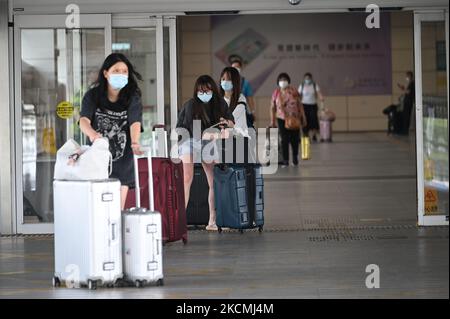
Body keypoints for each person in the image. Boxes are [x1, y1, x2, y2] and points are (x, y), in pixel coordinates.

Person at [80, 53, 144, 210]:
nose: (121, 74)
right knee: (99, 208)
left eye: (124, 71)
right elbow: (83, 121)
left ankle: (114, 235)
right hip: (98, 160)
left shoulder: (132, 97)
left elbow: (135, 122)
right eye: (116, 71)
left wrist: (135, 142)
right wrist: (93, 135)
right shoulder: (92, 96)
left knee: (116, 209)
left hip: (123, 162)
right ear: (106, 73)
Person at [176, 75, 232, 231]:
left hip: (209, 140)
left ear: (213, 90)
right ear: (196, 91)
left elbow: (231, 122)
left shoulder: (219, 103)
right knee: (187, 177)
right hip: (188, 139)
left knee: (213, 181)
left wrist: (226, 124)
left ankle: (212, 221)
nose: (204, 94)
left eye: (207, 90)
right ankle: (178, 221)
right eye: (201, 91)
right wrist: (216, 134)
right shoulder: (190, 105)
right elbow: (195, 133)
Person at [270, 73, 307, 167]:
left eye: (285, 79)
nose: (283, 81)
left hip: (295, 117)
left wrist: (303, 116)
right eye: (281, 80)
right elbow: (272, 107)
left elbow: (300, 104)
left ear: (288, 81)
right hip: (281, 118)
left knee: (295, 139)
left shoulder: (294, 91)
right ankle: (285, 160)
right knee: (284, 139)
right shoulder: (276, 93)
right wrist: (272, 121)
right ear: (278, 82)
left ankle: (295, 157)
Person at [228, 54, 256, 126]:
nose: (236, 69)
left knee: (247, 130)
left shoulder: (245, 83)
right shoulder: (226, 82)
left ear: (241, 68)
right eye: (234, 67)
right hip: (229, 111)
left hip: (242, 111)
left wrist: (252, 111)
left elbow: (250, 98)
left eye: (237, 67)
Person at [298, 72, 324, 142]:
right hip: (304, 105)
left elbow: (318, 93)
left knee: (314, 120)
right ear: (304, 79)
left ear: (311, 79)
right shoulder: (302, 85)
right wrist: (297, 104)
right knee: (305, 120)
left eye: (309, 78)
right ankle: (306, 135)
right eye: (306, 78)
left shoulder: (315, 85)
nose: (307, 80)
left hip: (313, 105)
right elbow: (299, 96)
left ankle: (314, 135)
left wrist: (321, 97)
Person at [397, 71, 415, 135]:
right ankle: (404, 130)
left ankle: (405, 131)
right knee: (405, 116)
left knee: (407, 116)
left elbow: (408, 92)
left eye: (407, 76)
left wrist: (403, 88)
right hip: (407, 101)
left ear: (410, 76)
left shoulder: (412, 83)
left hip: (408, 102)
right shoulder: (410, 83)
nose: (406, 77)